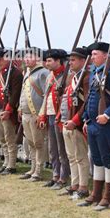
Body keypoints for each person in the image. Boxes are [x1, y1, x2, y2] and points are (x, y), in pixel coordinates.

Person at [77, 42, 110, 210]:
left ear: (106, 56)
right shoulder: (93, 74)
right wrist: (85, 119)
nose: (92, 57)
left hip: (106, 124)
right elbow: (90, 98)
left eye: (95, 54)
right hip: (92, 124)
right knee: (96, 160)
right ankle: (96, 194)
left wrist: (107, 114)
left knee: (108, 160)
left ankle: (108, 198)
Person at [58, 47, 91, 200]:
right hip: (67, 121)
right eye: (69, 60)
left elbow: (87, 102)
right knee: (72, 157)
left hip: (77, 123)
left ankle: (83, 187)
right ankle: (74, 184)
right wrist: (61, 118)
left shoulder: (86, 77)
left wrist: (75, 120)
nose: (70, 63)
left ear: (83, 61)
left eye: (73, 60)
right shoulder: (73, 77)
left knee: (81, 157)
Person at [38, 49, 71, 189]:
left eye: (50, 60)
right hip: (50, 114)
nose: (47, 63)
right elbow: (46, 97)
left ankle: (63, 177)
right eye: (46, 60)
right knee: (53, 149)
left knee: (62, 149)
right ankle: (55, 175)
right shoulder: (50, 76)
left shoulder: (67, 76)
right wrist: (43, 115)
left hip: (61, 116)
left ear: (58, 61)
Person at [0, 48, 23, 175]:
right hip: (0, 108)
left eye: (0, 59)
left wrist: (9, 110)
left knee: (10, 139)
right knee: (2, 139)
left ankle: (11, 165)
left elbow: (15, 94)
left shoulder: (15, 73)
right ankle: (5, 162)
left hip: (8, 109)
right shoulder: (2, 73)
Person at [18, 48, 49, 182]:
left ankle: (38, 170)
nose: (26, 59)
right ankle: (32, 168)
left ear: (37, 58)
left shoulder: (43, 73)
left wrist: (41, 114)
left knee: (38, 143)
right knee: (31, 142)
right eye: (26, 57)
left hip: (36, 114)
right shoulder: (27, 72)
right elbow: (23, 92)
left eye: (30, 56)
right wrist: (20, 107)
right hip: (26, 114)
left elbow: (46, 95)